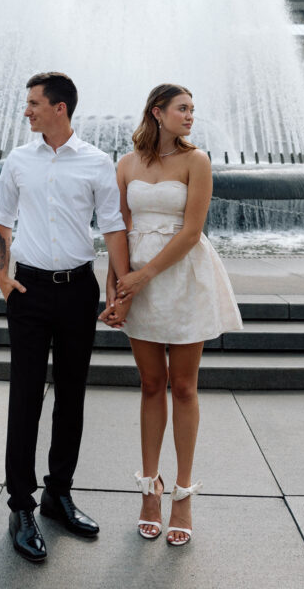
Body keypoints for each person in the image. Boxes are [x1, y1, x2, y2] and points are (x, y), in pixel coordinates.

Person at [0, 71, 130, 563]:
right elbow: (1, 219)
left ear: (60, 109)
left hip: (77, 292)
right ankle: (21, 506)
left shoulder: (96, 162)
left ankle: (59, 494)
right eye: (27, 102)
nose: (27, 110)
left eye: (34, 103)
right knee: (25, 398)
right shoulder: (18, 160)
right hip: (27, 291)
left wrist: (118, 289)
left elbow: (113, 229)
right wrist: (3, 277)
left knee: (71, 397)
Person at [101, 83, 242, 546]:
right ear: (157, 113)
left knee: (183, 386)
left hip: (182, 277)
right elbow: (118, 230)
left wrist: (143, 277)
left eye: (193, 110)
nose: (190, 116)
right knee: (149, 384)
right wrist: (116, 288)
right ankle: (149, 488)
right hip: (136, 281)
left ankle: (182, 492)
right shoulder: (126, 164)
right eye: (183, 109)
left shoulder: (196, 161)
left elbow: (192, 231)